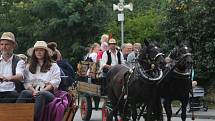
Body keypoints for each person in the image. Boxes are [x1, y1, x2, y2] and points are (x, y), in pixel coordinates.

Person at [16, 41, 61, 121]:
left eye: (41, 50)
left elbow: (55, 81)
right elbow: (26, 82)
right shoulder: (29, 66)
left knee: (41, 95)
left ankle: (34, 119)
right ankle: (15, 117)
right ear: (34, 52)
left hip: (47, 93)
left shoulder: (53, 66)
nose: (39, 52)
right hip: (33, 91)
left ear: (46, 52)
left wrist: (42, 91)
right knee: (24, 92)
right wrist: (33, 91)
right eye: (36, 50)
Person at [0, 32, 25, 103]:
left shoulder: (19, 61)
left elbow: (20, 76)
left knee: (19, 95)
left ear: (13, 46)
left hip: (12, 92)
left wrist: (7, 78)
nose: (4, 47)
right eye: (2, 44)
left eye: (6, 44)